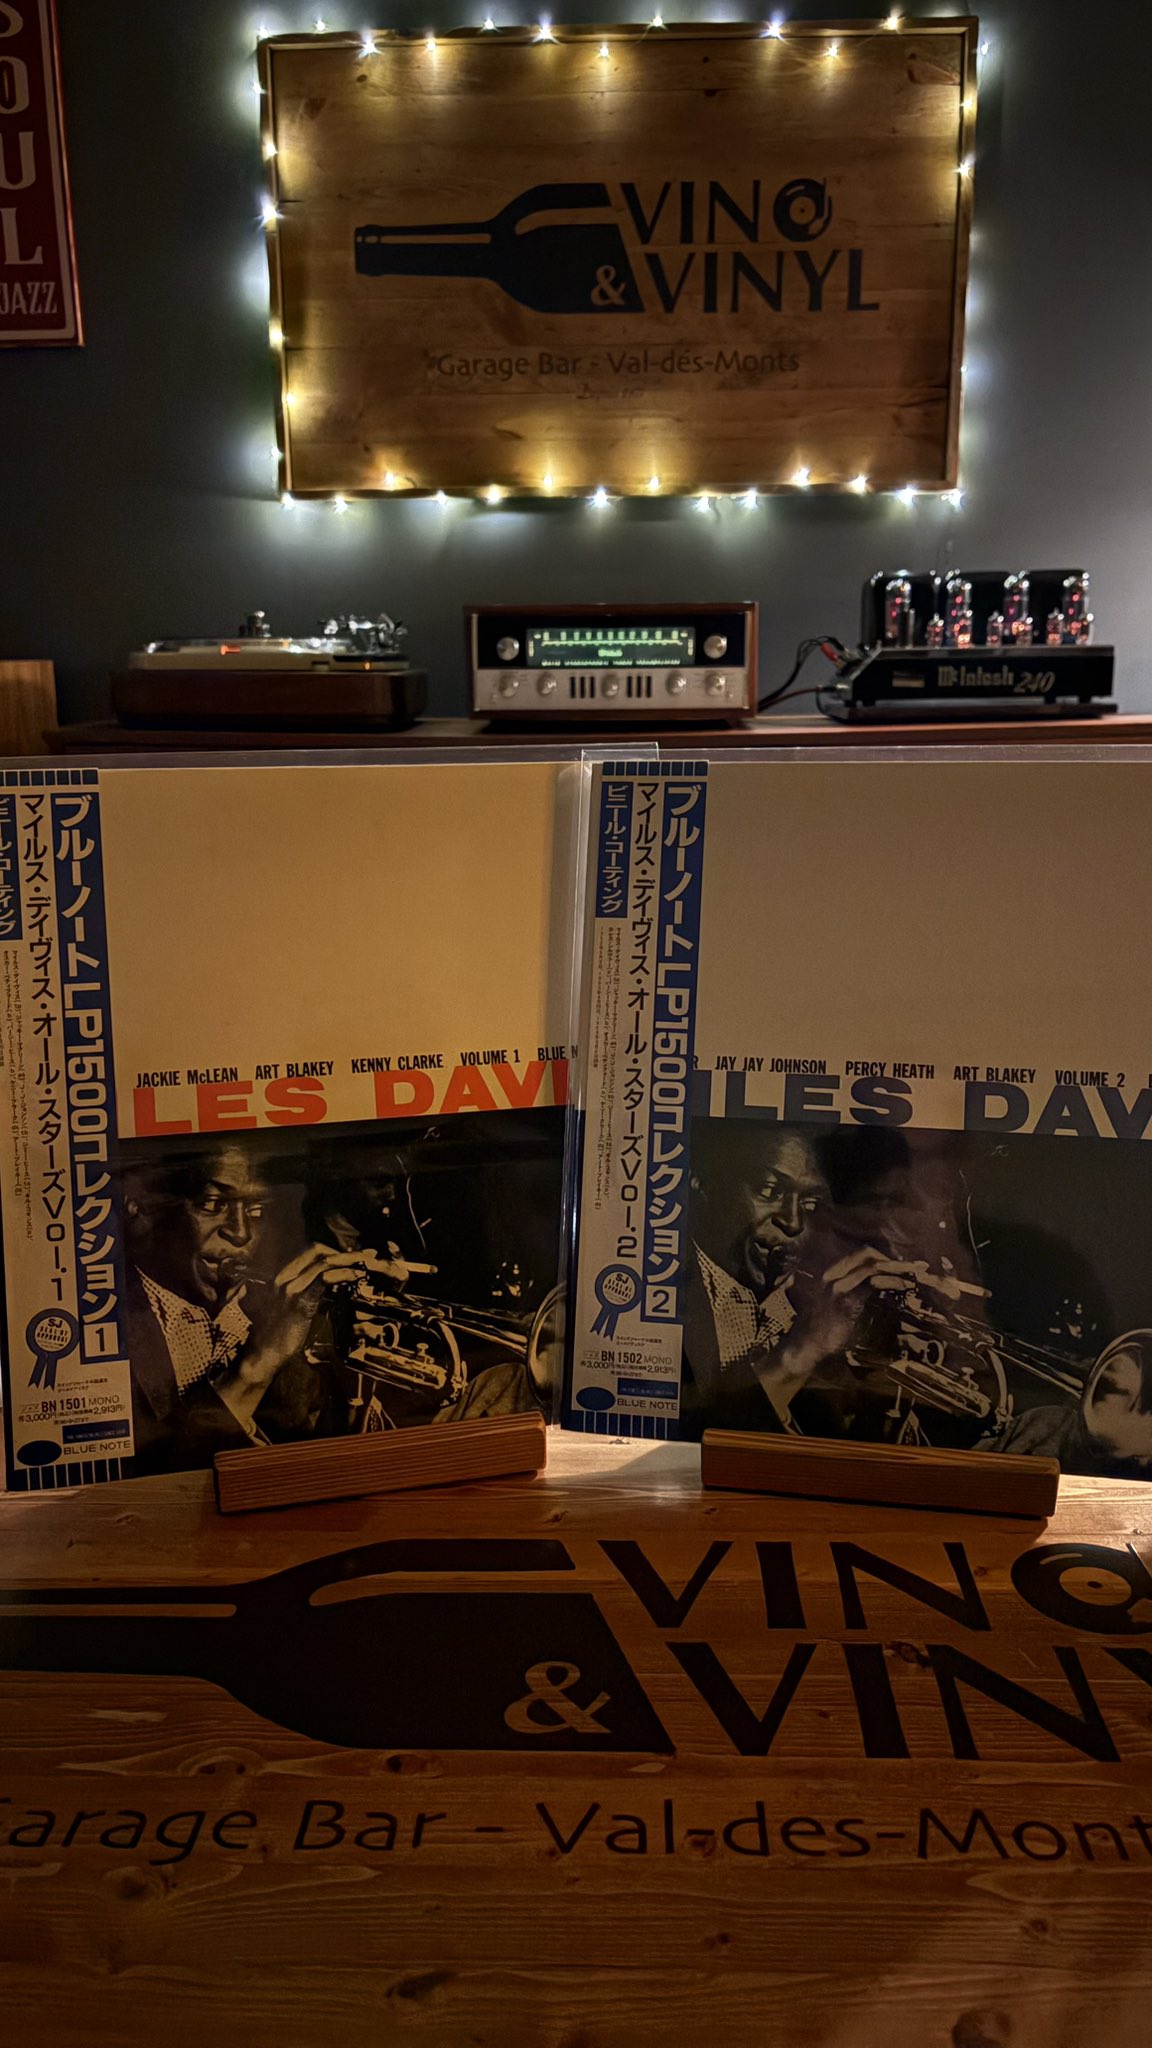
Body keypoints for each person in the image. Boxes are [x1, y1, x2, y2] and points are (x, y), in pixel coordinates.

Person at [681, 1120, 966, 1439]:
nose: (793, 1223)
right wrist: (805, 1346)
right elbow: (697, 1445)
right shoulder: (666, 1296)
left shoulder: (804, 1305)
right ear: (701, 1181)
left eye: (810, 1203)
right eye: (769, 1191)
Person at [123, 1143, 365, 1473]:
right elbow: (153, 1483)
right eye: (212, 1205)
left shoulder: (297, 1315)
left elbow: (329, 1463)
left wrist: (360, 1380)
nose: (241, 1233)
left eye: (255, 1210)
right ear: (143, 1206)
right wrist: (257, 1365)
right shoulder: (103, 1329)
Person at [301, 1141, 536, 1428]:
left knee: (511, 1381)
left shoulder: (393, 1238)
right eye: (378, 1182)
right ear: (337, 1179)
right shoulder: (305, 1249)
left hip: (398, 1403)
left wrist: (397, 1298)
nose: (393, 1194)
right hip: (347, 1404)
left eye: (396, 1183)